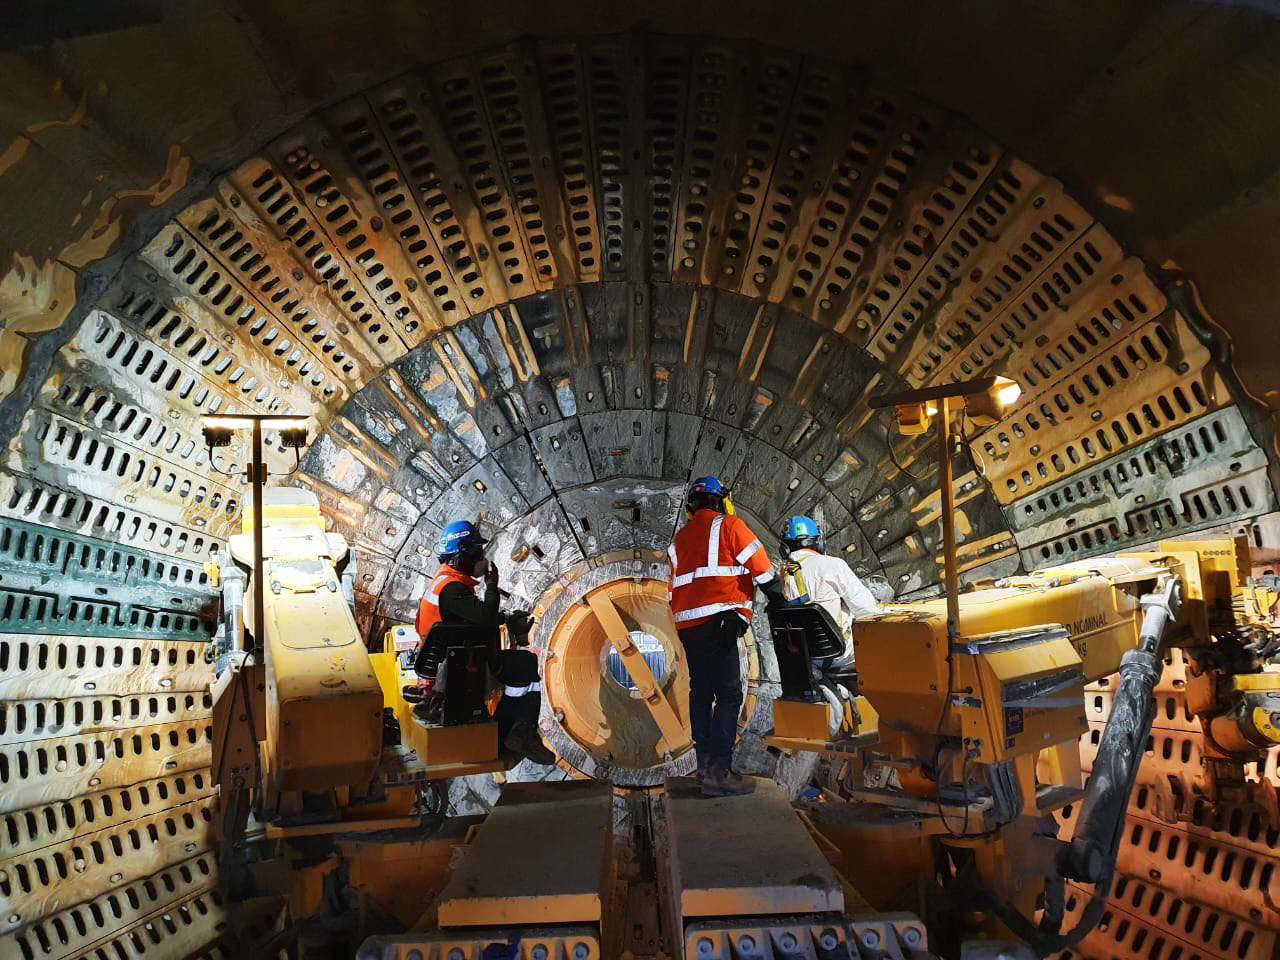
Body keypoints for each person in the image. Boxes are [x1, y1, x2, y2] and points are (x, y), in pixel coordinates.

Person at [667, 476, 785, 797]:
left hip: (688, 627)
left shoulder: (679, 539)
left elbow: (672, 589)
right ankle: (720, 771)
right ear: (721, 501)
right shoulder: (729, 526)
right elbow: (761, 568)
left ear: (692, 507)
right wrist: (779, 599)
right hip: (720, 622)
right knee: (730, 694)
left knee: (701, 694)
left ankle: (704, 769)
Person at [413, 521, 538, 746]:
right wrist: (491, 585)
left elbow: (470, 617)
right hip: (457, 667)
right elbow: (485, 616)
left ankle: (509, 730)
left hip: (446, 662)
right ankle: (515, 732)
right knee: (527, 663)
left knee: (518, 663)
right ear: (461, 556)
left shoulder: (445, 581)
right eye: (477, 554)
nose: (482, 559)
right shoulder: (452, 589)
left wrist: (506, 617)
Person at [778, 515, 879, 670]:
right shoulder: (832, 564)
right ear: (818, 542)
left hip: (806, 657)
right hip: (841, 652)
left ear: (784, 548)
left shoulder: (780, 576)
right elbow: (866, 610)